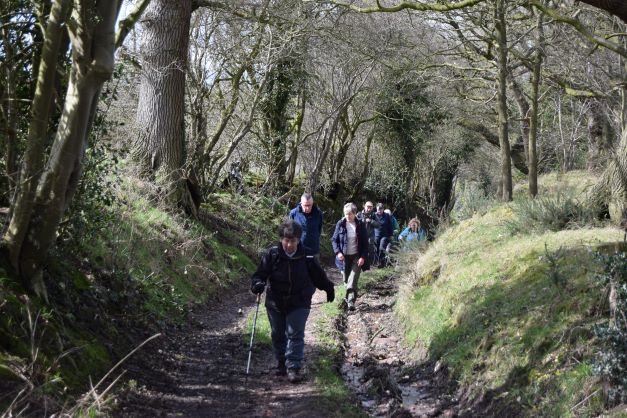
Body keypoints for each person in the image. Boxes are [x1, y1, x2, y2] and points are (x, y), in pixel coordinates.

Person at [250, 220, 335, 383]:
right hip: (276, 301)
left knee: (295, 333)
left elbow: (318, 275)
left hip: (299, 300)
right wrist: (257, 284)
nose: (289, 245)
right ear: (281, 239)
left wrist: (328, 288)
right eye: (286, 241)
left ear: (298, 240)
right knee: (277, 333)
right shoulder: (272, 254)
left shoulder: (307, 255)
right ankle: (281, 362)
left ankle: (293, 367)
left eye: (293, 241)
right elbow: (259, 274)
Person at [331, 203, 369, 311]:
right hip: (344, 258)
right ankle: (346, 299)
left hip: (357, 256)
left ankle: (351, 301)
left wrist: (363, 257)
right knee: (346, 279)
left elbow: (366, 244)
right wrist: (338, 252)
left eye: (350, 214)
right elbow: (334, 240)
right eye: (346, 214)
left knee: (353, 280)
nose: (348, 216)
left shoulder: (360, 225)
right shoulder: (340, 224)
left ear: (355, 214)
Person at [289, 192, 323, 259]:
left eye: (309, 205)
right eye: (305, 205)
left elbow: (319, 229)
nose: (307, 208)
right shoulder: (294, 213)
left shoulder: (318, 213)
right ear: (301, 203)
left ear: (312, 203)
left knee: (314, 269)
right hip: (297, 251)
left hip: (313, 250)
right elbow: (289, 232)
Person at [357, 201, 380, 266]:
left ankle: (370, 263)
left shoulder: (374, 215)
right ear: (364, 206)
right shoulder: (359, 214)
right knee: (360, 248)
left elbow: (378, 225)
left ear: (372, 208)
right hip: (360, 235)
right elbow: (356, 221)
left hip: (370, 235)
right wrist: (364, 220)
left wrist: (371, 221)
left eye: (371, 207)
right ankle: (360, 262)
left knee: (370, 248)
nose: (369, 209)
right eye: (368, 207)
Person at [372, 203, 394, 267]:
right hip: (376, 235)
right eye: (378, 209)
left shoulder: (387, 216)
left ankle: (382, 263)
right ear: (376, 209)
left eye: (381, 209)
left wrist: (391, 235)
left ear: (383, 209)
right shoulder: (374, 215)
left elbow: (390, 226)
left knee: (381, 248)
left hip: (384, 235)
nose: (379, 210)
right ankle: (378, 262)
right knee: (376, 249)